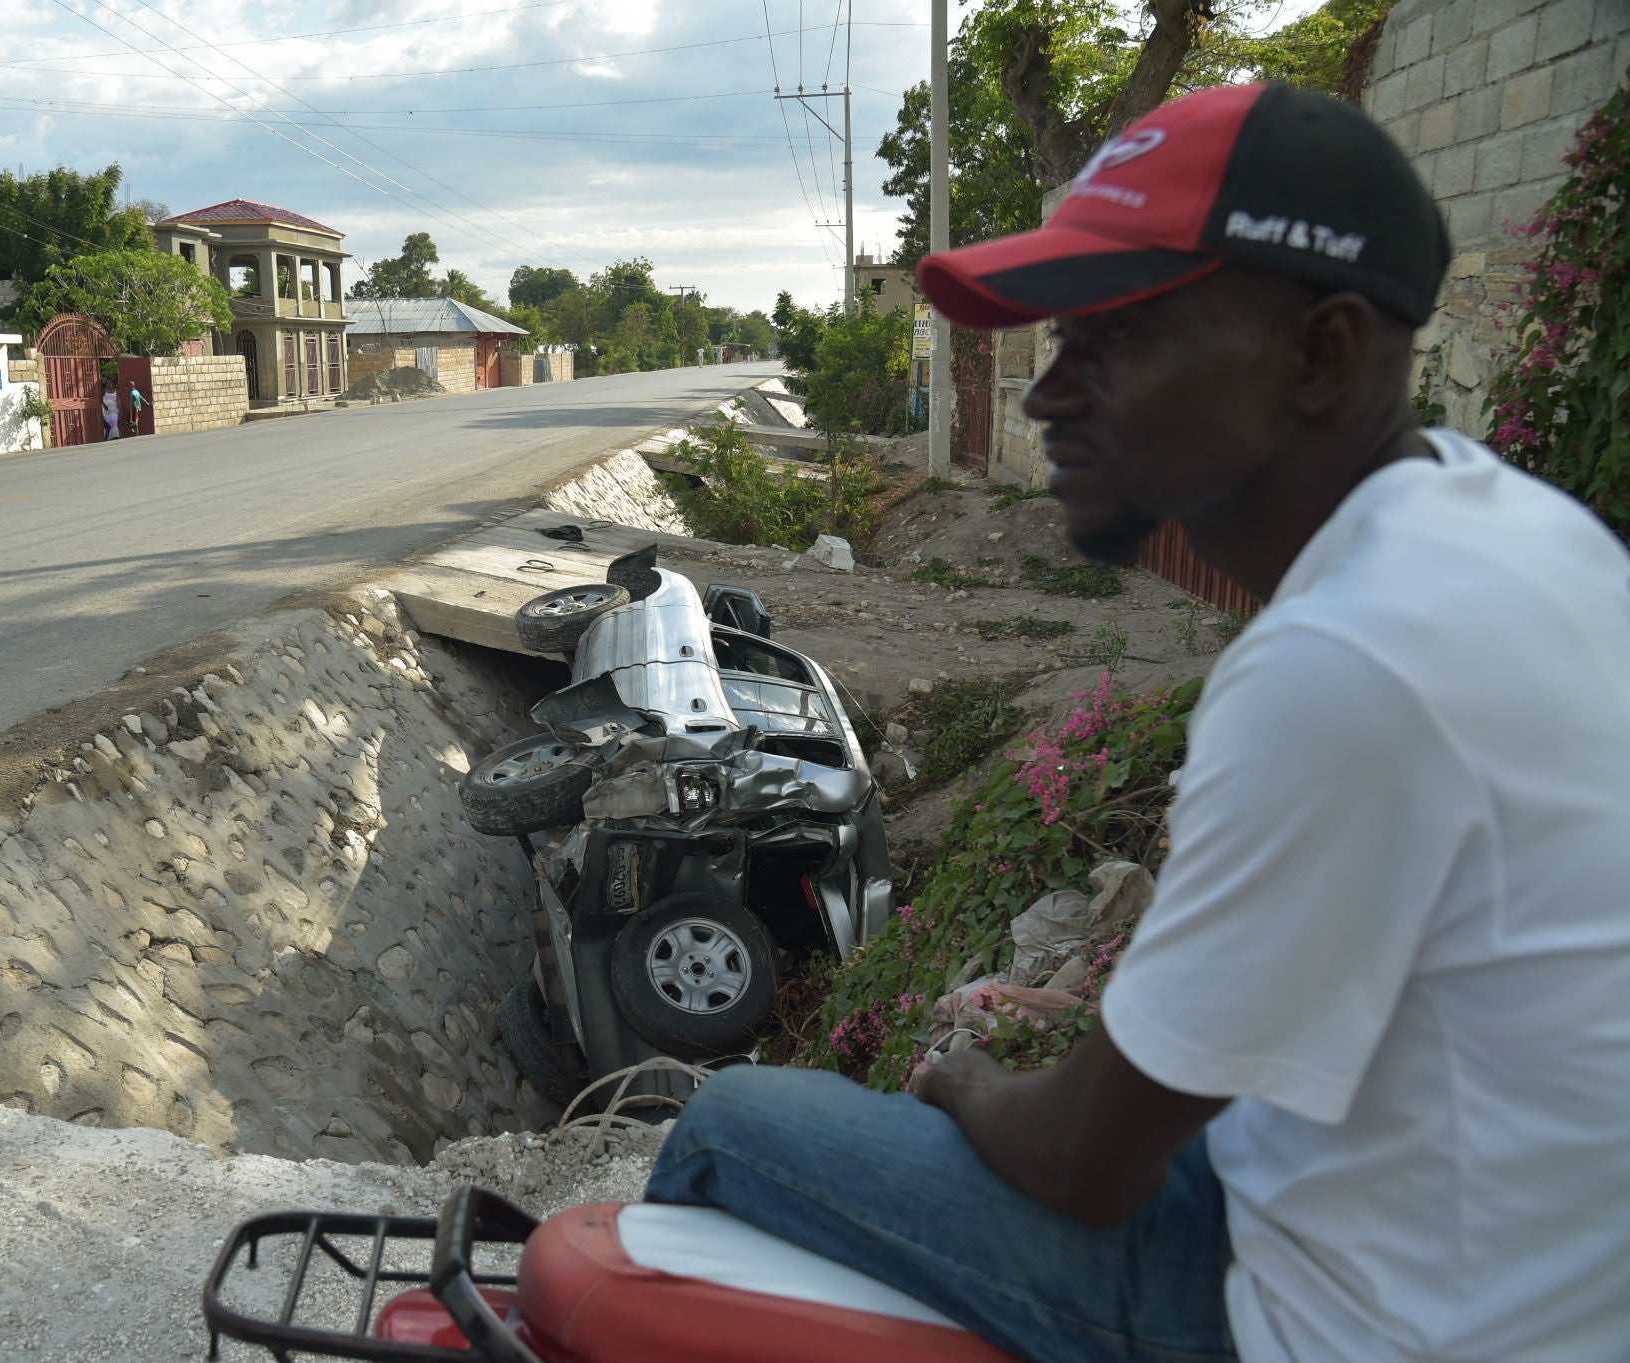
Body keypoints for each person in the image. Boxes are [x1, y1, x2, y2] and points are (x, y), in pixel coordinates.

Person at [645, 82, 1630, 1363]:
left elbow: (1080, 1165)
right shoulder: (1514, 534)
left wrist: (959, 1082)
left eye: (1113, 337)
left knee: (736, 1128)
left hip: (1353, 1324)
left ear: (1320, 355)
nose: (1050, 394)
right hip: (1504, 1253)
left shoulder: (1341, 664)